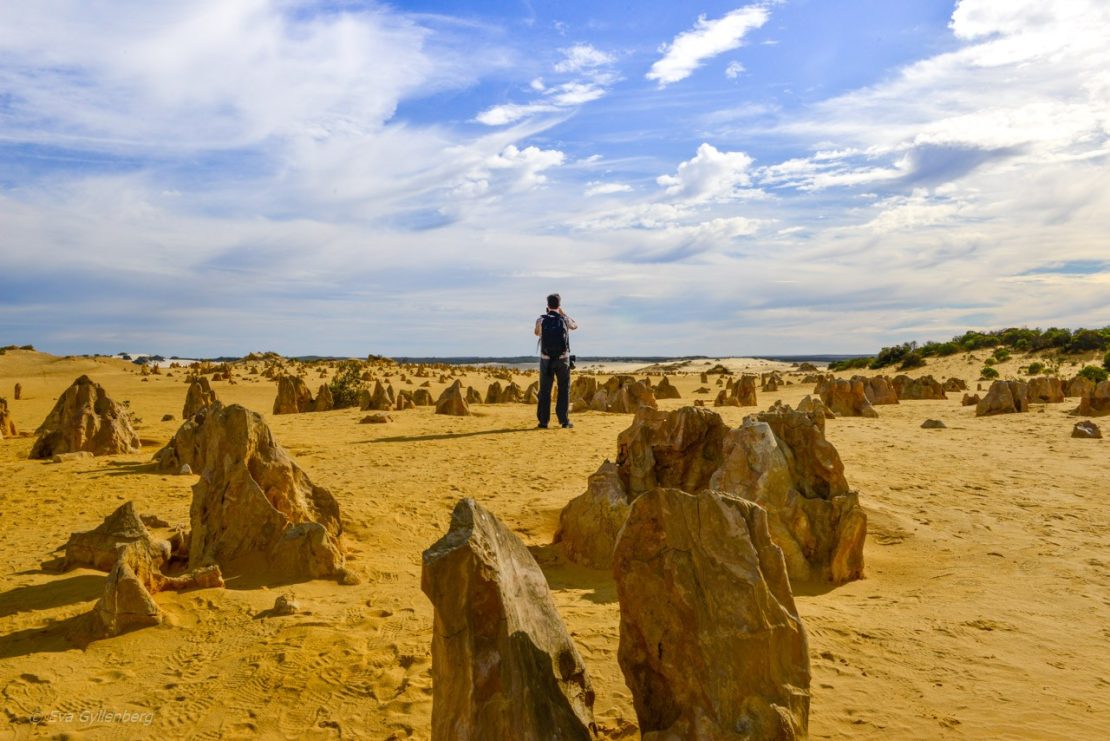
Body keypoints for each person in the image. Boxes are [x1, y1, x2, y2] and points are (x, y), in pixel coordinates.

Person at [534, 293, 578, 428]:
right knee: (564, 389)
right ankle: (564, 421)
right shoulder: (564, 319)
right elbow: (575, 326)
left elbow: (536, 333)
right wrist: (563, 313)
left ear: (547, 305)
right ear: (559, 305)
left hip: (546, 360)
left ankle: (543, 421)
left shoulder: (541, 319)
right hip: (562, 359)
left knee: (545, 390)